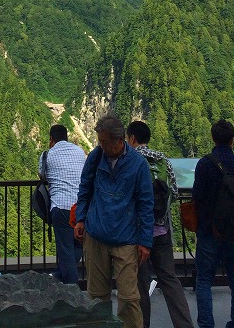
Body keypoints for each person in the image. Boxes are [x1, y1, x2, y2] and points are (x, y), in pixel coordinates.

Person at [74, 114, 154, 328]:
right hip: (96, 235)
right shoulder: (96, 157)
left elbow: (146, 204)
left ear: (120, 140)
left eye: (105, 141)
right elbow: (85, 187)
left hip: (126, 239)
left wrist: (145, 241)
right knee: (97, 297)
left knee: (128, 298)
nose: (101, 145)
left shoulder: (138, 164)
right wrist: (80, 218)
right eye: (100, 141)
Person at [127, 120, 194, 328]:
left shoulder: (130, 160)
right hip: (162, 230)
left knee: (141, 283)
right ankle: (184, 325)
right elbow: (173, 193)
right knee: (170, 279)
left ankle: (143, 325)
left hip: (138, 233)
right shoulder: (163, 159)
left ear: (132, 139)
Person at [192, 120, 234, 328]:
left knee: (204, 280)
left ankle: (206, 324)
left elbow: (197, 196)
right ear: (233, 139)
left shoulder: (205, 164)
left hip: (209, 230)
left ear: (213, 138)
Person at [38, 124, 86, 284]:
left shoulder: (47, 155)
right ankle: (59, 275)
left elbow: (42, 176)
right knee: (78, 246)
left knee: (65, 251)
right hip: (80, 207)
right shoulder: (79, 151)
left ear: (51, 139)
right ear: (67, 137)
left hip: (61, 206)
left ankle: (71, 290)